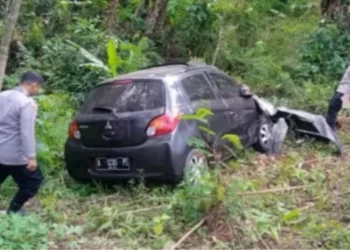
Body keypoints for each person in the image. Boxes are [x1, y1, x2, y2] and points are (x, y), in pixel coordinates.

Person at [0, 71, 44, 215]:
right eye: (38, 88)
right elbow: (26, 132)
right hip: (16, 156)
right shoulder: (26, 103)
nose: (37, 91)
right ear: (33, 85)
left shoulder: (3, 96)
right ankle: (13, 211)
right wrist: (31, 157)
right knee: (33, 182)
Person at [326, 65, 350, 130]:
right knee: (333, 109)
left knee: (332, 108)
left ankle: (330, 131)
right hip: (344, 91)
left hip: (344, 92)